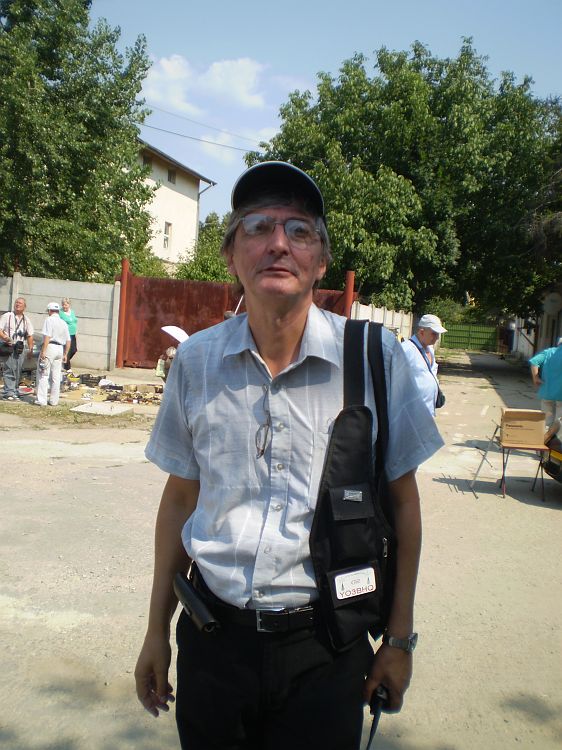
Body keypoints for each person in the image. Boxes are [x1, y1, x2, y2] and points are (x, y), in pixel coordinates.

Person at [134, 161, 444, 750]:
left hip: (326, 650)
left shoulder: (373, 360)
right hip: (213, 643)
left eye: (299, 230)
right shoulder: (196, 363)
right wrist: (156, 630)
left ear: (321, 261)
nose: (278, 242)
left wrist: (398, 641)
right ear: (231, 256)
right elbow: (179, 501)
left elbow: (405, 506)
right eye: (257, 227)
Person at [401, 315, 447, 416]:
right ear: (422, 332)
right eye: (434, 334)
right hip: (412, 412)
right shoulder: (407, 349)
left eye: (438, 334)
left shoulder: (430, 349)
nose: (437, 337)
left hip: (428, 410)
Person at [35, 302, 70, 407]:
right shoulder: (63, 322)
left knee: (43, 374)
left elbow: (47, 336)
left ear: (49, 311)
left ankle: (42, 400)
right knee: (56, 376)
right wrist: (65, 354)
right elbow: (68, 340)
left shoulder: (49, 320)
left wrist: (43, 351)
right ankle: (54, 401)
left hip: (50, 347)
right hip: (60, 348)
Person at [0, 297, 34, 402]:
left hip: (20, 348)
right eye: (16, 302)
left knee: (18, 370)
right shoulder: (7, 316)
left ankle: (14, 390)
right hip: (9, 346)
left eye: (20, 303)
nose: (17, 304)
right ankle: (8, 392)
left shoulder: (26, 320)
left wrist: (30, 349)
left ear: (24, 307)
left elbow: (30, 335)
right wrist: (5, 337)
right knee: (9, 369)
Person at [529, 337, 562, 429]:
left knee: (547, 420)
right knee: (559, 421)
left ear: (558, 344)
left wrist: (536, 378)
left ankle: (545, 435)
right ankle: (557, 437)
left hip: (547, 391)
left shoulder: (548, 352)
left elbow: (534, 362)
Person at [59, 297, 78, 371]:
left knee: (74, 350)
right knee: (68, 351)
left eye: (66, 305)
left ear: (69, 305)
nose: (64, 306)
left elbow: (74, 322)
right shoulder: (60, 313)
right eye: (63, 305)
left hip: (73, 334)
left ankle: (63, 361)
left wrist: (76, 332)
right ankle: (68, 368)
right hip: (66, 334)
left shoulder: (72, 312)